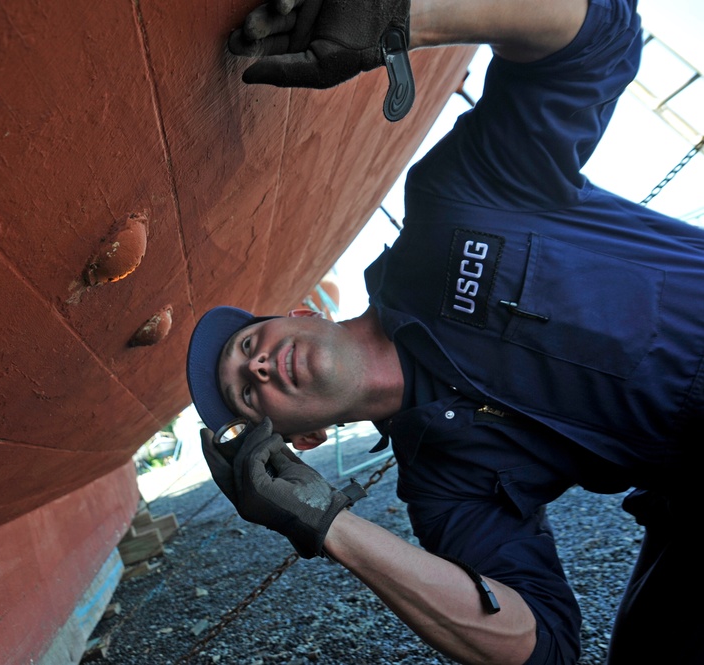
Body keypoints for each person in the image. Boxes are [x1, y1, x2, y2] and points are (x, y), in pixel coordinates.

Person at [186, 0, 704, 663]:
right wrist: (329, 524)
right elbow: (540, 642)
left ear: (301, 314)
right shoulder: (442, 482)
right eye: (248, 393)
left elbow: (598, 38)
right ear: (303, 440)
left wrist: (404, 16)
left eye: (248, 346)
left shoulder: (454, 200)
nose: (256, 368)